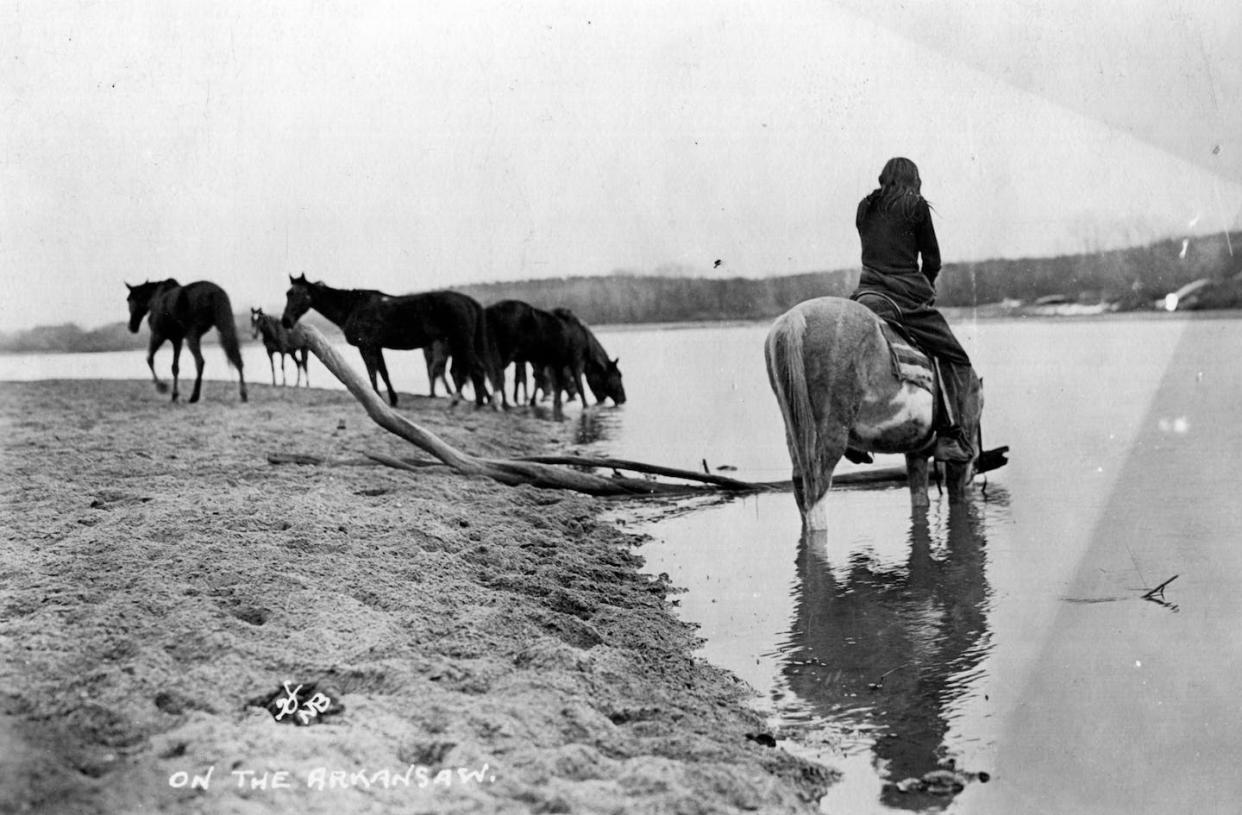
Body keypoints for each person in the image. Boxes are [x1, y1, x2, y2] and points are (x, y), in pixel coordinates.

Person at [852, 156, 975, 463]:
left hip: (866, 296)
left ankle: (850, 437)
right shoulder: (915, 206)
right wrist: (927, 287)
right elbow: (932, 260)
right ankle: (949, 435)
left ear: (883, 177)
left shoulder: (864, 207)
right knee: (956, 357)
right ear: (914, 180)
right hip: (903, 299)